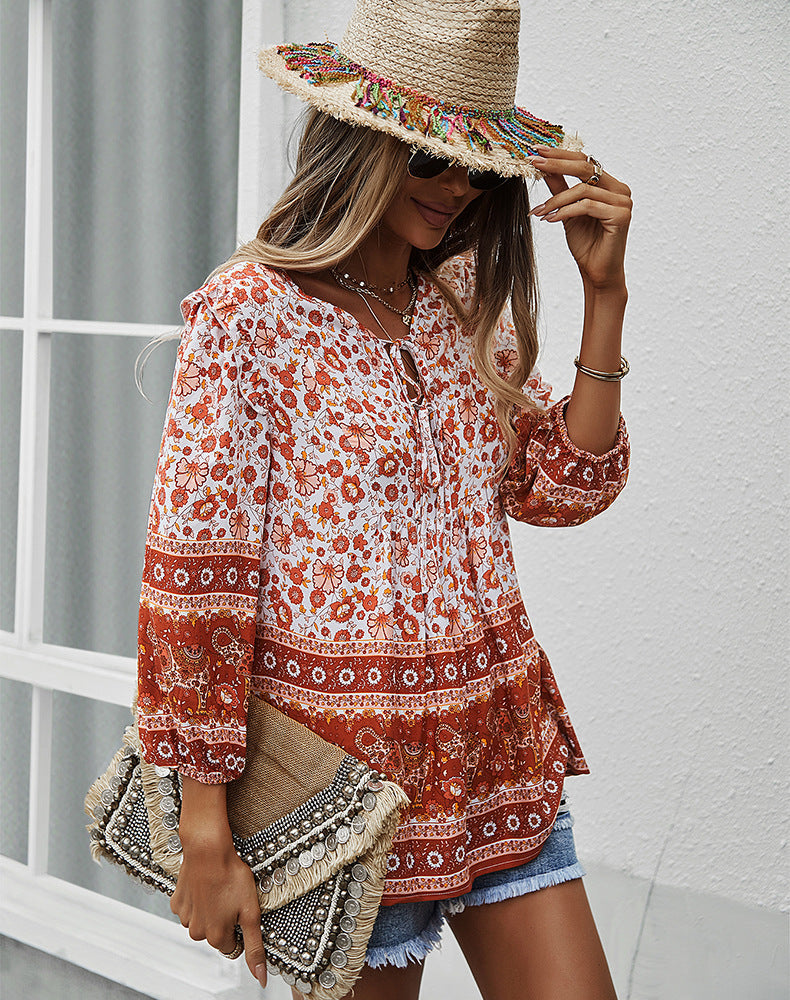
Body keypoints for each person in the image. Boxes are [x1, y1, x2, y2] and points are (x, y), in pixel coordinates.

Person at [136, 1, 632, 997]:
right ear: (358, 143)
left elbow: (564, 486)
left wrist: (605, 299)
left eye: (476, 169)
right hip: (343, 790)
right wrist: (204, 828)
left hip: (496, 758)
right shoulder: (250, 314)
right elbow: (198, 581)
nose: (455, 190)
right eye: (430, 158)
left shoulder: (460, 305)